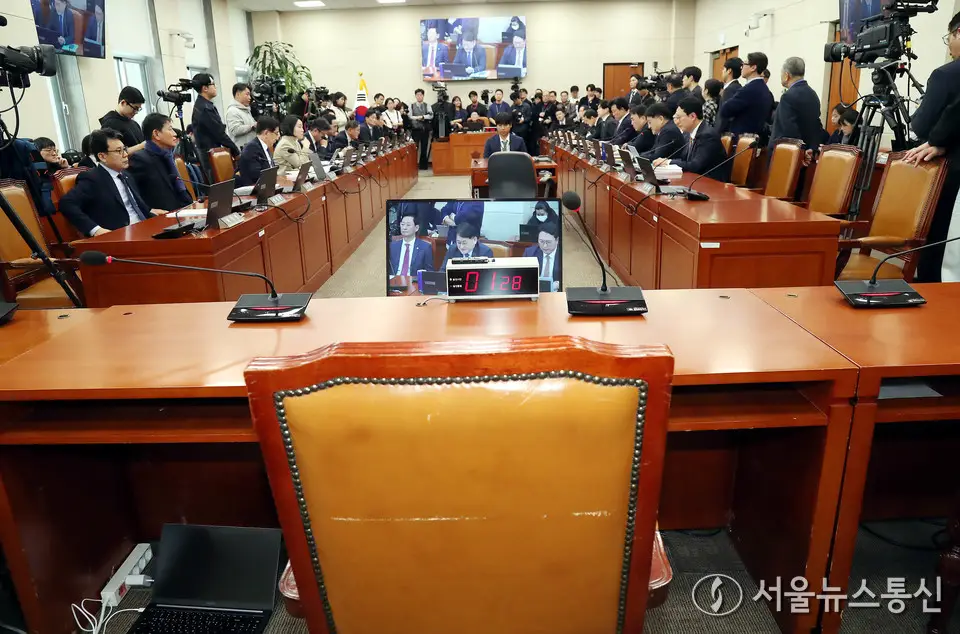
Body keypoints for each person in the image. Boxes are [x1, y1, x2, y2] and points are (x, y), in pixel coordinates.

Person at [907, 10, 960, 282]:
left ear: (958, 33)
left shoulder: (946, 74)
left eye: (948, 37)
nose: (949, 45)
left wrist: (938, 141)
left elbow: (920, 127)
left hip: (951, 173)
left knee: (940, 239)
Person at [60, 129, 159, 237]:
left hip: (144, 227)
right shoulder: (92, 178)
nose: (125, 154)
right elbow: (67, 203)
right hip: (121, 235)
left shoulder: (126, 175)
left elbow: (134, 205)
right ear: (102, 156)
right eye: (119, 151)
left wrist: (150, 211)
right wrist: (95, 230)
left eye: (124, 149)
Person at [127, 113, 193, 212]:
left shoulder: (168, 156)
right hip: (163, 215)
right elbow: (134, 195)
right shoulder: (139, 159)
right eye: (170, 129)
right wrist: (149, 210)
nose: (175, 134)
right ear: (156, 134)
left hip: (183, 210)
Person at [654, 98, 729, 181]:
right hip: (695, 179)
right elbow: (684, 160)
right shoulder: (688, 134)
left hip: (711, 182)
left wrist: (669, 162)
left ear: (692, 116)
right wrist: (666, 162)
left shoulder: (707, 135)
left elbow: (695, 166)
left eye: (679, 117)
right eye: (675, 118)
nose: (676, 122)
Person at [769, 57, 824, 154]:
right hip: (806, 153)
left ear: (786, 75)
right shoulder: (813, 94)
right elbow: (816, 125)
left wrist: (799, 152)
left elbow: (787, 130)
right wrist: (812, 147)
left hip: (787, 154)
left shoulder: (787, 96)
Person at [191, 73, 240, 179]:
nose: (215, 87)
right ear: (205, 88)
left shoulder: (203, 105)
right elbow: (219, 133)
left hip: (210, 153)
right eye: (213, 84)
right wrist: (236, 152)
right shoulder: (205, 108)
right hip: (210, 156)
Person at [717, 52, 775, 136]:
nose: (741, 67)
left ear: (753, 67)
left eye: (744, 64)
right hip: (756, 137)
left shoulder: (748, 90)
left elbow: (725, 110)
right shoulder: (765, 89)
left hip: (742, 138)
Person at [99, 87, 146, 156]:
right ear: (123, 103)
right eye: (135, 108)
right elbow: (116, 153)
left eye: (138, 109)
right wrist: (141, 146)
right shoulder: (109, 125)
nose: (136, 112)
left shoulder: (134, 124)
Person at [237, 116, 280, 187]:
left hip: (267, 186)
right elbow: (257, 176)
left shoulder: (264, 147)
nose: (278, 137)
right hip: (253, 189)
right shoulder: (251, 149)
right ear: (266, 133)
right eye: (276, 133)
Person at [389, 210, 434, 276]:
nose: (404, 228)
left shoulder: (425, 247)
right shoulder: (392, 246)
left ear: (416, 228)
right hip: (395, 279)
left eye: (408, 225)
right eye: (402, 224)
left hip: (413, 280)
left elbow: (429, 272)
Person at [33, 136, 67, 216]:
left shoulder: (57, 167)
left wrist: (66, 168)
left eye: (54, 150)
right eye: (49, 150)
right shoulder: (34, 172)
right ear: (37, 152)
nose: (54, 153)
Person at [523, 224, 561, 288]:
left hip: (557, 291)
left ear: (557, 240)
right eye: (541, 241)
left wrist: (560, 284)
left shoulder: (564, 255)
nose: (544, 246)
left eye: (548, 242)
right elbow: (523, 275)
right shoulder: (530, 253)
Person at [226, 83, 258, 149]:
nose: (250, 97)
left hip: (250, 148)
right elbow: (235, 130)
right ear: (238, 94)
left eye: (250, 95)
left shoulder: (245, 110)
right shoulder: (233, 111)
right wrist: (252, 126)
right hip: (242, 150)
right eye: (247, 94)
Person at [410, 89, 432, 170]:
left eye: (421, 95)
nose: (419, 96)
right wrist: (417, 118)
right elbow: (410, 116)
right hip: (415, 129)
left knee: (424, 148)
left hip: (425, 129)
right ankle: (413, 166)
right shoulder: (412, 105)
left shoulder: (427, 105)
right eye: (417, 95)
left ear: (423, 96)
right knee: (415, 148)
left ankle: (423, 166)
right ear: (415, 96)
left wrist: (423, 117)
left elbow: (431, 115)